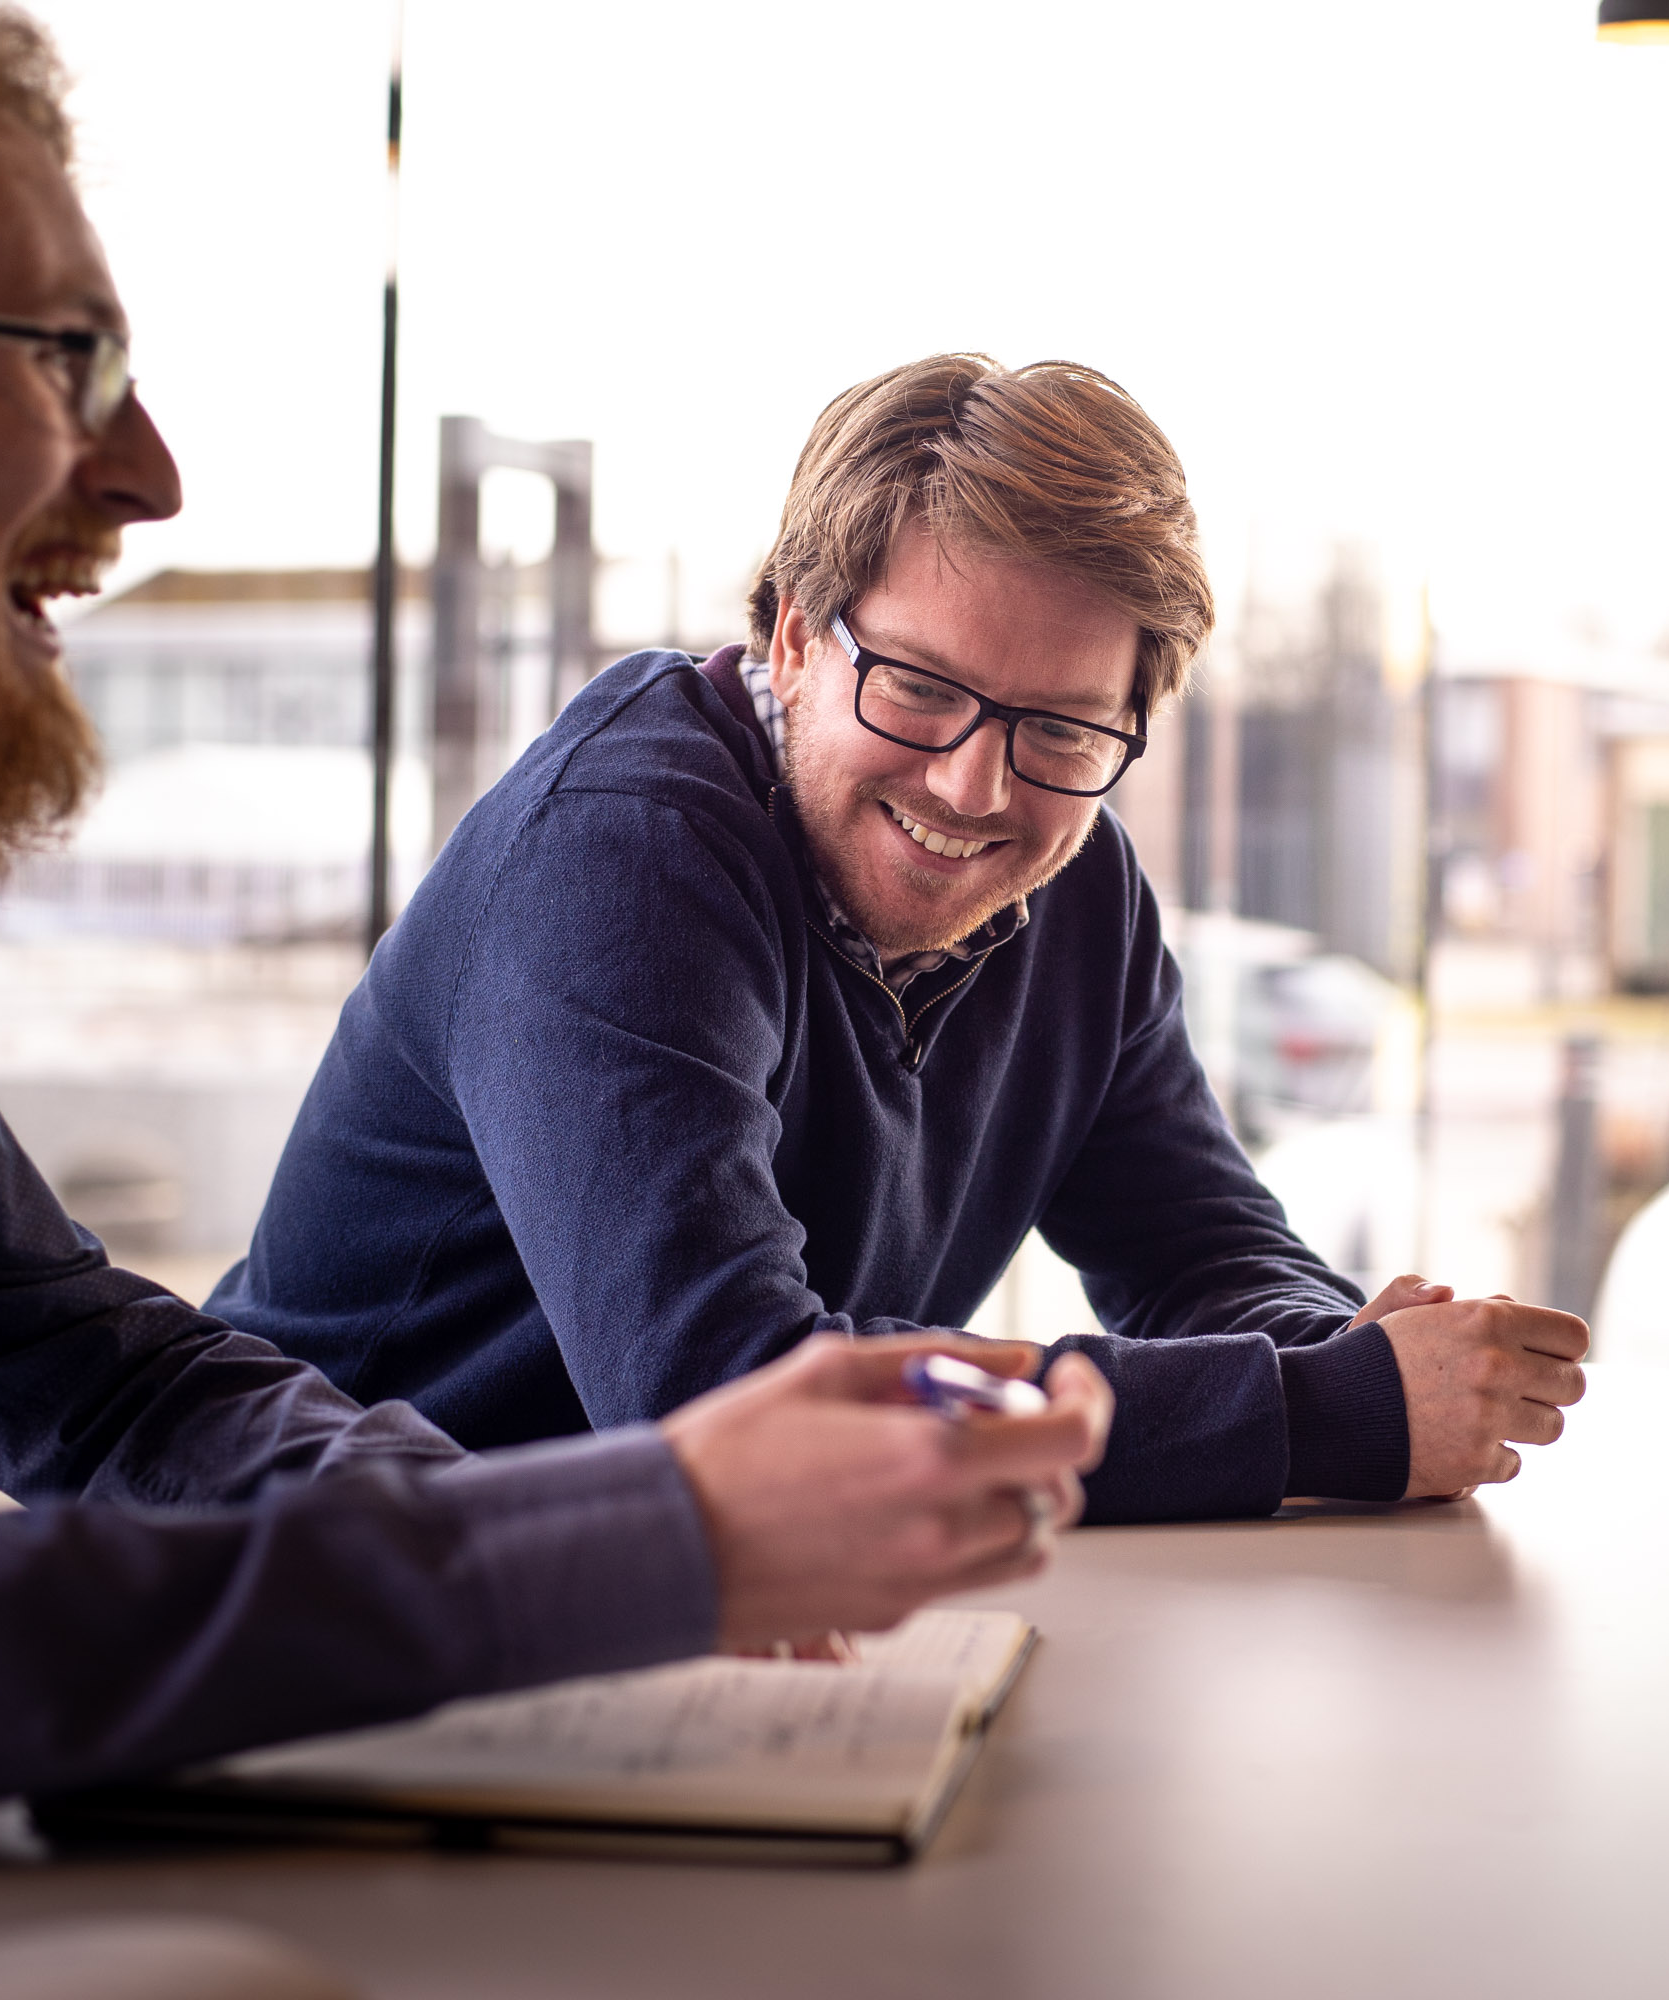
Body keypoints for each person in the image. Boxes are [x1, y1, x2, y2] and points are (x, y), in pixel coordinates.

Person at [0, 0, 1110, 1843]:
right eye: (62, 363)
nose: (149, 473)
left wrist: (584, 1546)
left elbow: (93, 1379)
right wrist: (606, 1552)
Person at [214, 356, 1589, 1521]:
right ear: (796, 638)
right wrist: (1318, 1414)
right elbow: (724, 1387)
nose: (974, 787)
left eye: (1061, 724)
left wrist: (1334, 1342)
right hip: (318, 1588)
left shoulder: (1074, 880)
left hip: (640, 1602)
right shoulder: (621, 858)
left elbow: (1194, 1246)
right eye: (921, 687)